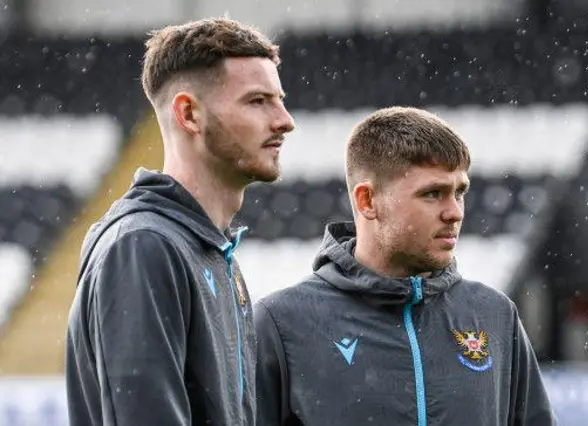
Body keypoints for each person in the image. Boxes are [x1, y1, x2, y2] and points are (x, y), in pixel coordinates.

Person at [255, 106, 555, 425]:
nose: (455, 212)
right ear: (367, 201)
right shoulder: (281, 324)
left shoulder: (495, 316)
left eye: (459, 192)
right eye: (433, 194)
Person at [65, 18, 295, 426]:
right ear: (189, 114)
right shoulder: (143, 247)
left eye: (280, 99)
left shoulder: (209, 252)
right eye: (258, 101)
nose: (284, 120)